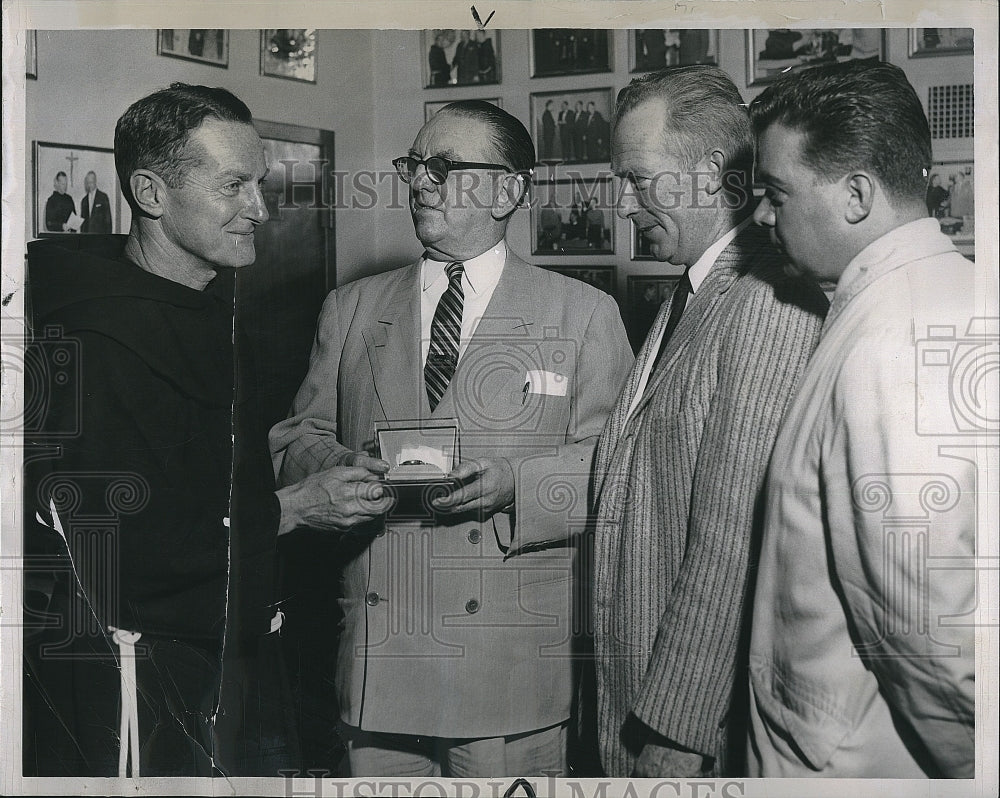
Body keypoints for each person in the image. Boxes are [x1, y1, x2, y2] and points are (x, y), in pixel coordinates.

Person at [23, 83, 392, 778]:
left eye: (260, 183)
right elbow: (117, 547)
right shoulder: (93, 340)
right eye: (234, 186)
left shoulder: (210, 309)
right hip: (138, 672)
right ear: (151, 193)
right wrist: (294, 507)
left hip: (235, 651)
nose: (260, 208)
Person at [269, 100, 633, 777]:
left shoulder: (583, 314)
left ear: (508, 189)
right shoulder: (351, 307)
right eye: (414, 166)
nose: (418, 182)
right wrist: (344, 465)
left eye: (443, 167)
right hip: (382, 656)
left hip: (508, 668)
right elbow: (297, 437)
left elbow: (614, 475)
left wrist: (513, 486)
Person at [590, 65, 828, 778]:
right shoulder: (685, 298)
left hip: (682, 729)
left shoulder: (764, 300)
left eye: (638, 179)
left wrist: (675, 732)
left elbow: (734, 542)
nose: (624, 205)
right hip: (631, 700)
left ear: (713, 176)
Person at [747, 59, 980, 778]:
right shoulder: (943, 292)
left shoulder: (892, 343)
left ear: (855, 196)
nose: (760, 215)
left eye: (777, 193)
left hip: (845, 764)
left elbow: (926, 628)